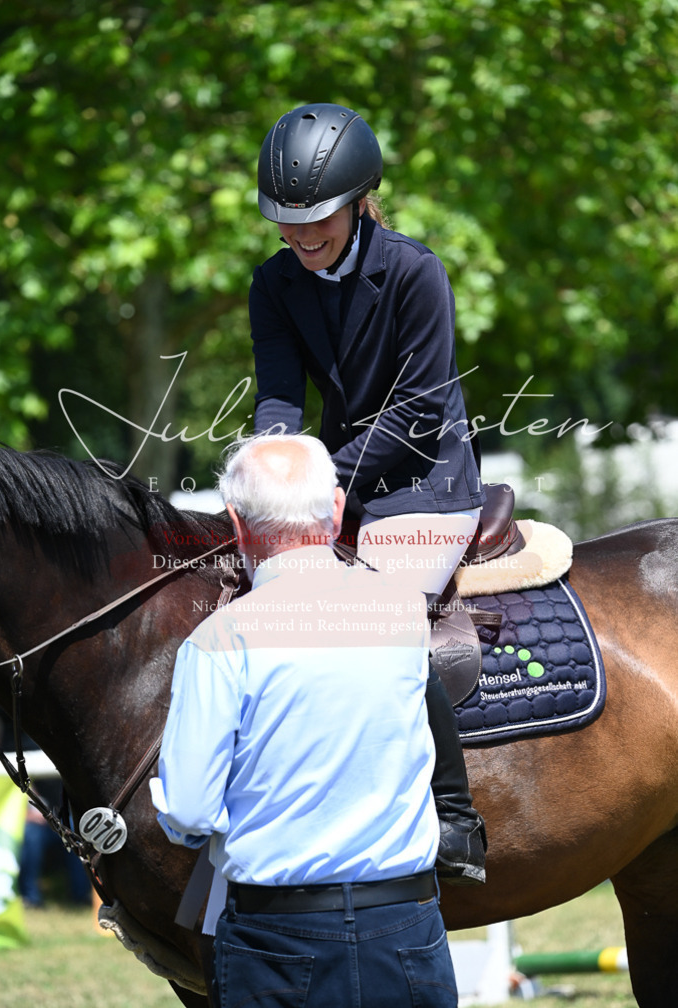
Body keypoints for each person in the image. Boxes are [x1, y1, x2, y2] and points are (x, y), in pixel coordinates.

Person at [250, 102, 487, 882]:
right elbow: (281, 396)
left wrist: (327, 480)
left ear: (359, 202)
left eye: (316, 219)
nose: (302, 236)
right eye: (287, 222)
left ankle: (454, 819)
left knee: (378, 615)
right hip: (337, 480)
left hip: (425, 483)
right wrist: (271, 465)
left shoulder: (415, 271)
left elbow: (421, 410)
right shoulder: (273, 285)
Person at [151, 434, 459, 1008]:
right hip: (407, 928)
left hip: (276, 940)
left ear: (238, 526)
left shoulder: (217, 640)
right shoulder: (404, 612)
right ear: (336, 509)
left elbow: (190, 811)